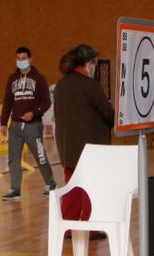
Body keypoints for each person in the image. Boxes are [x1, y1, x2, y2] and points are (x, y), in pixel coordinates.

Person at [53, 43, 113, 222]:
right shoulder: (91, 85)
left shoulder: (61, 85)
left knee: (73, 188)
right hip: (91, 149)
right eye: (94, 63)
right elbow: (108, 115)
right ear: (88, 64)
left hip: (68, 147)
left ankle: (68, 226)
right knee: (92, 189)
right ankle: (92, 228)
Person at [0, 46, 57, 201]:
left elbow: (46, 102)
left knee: (39, 155)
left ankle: (50, 183)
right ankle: (15, 189)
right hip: (15, 126)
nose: (21, 61)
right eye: (18, 58)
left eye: (23, 58)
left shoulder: (39, 78)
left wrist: (34, 113)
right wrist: (3, 123)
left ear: (30, 59)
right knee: (13, 158)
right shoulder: (12, 79)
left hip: (33, 125)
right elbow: (7, 102)